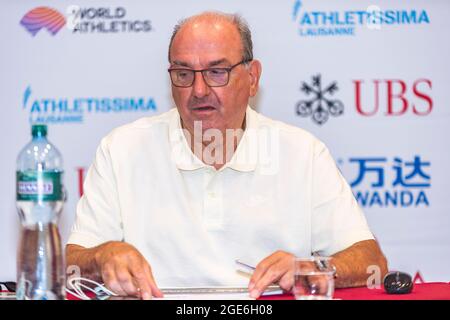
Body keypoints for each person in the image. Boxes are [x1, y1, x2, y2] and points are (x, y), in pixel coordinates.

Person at [66, 11, 388, 300]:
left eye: (217, 72)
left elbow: (372, 261)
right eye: (183, 73)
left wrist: (310, 267)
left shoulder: (302, 152)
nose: (199, 90)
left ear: (252, 78)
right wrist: (103, 255)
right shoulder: (122, 148)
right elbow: (70, 267)